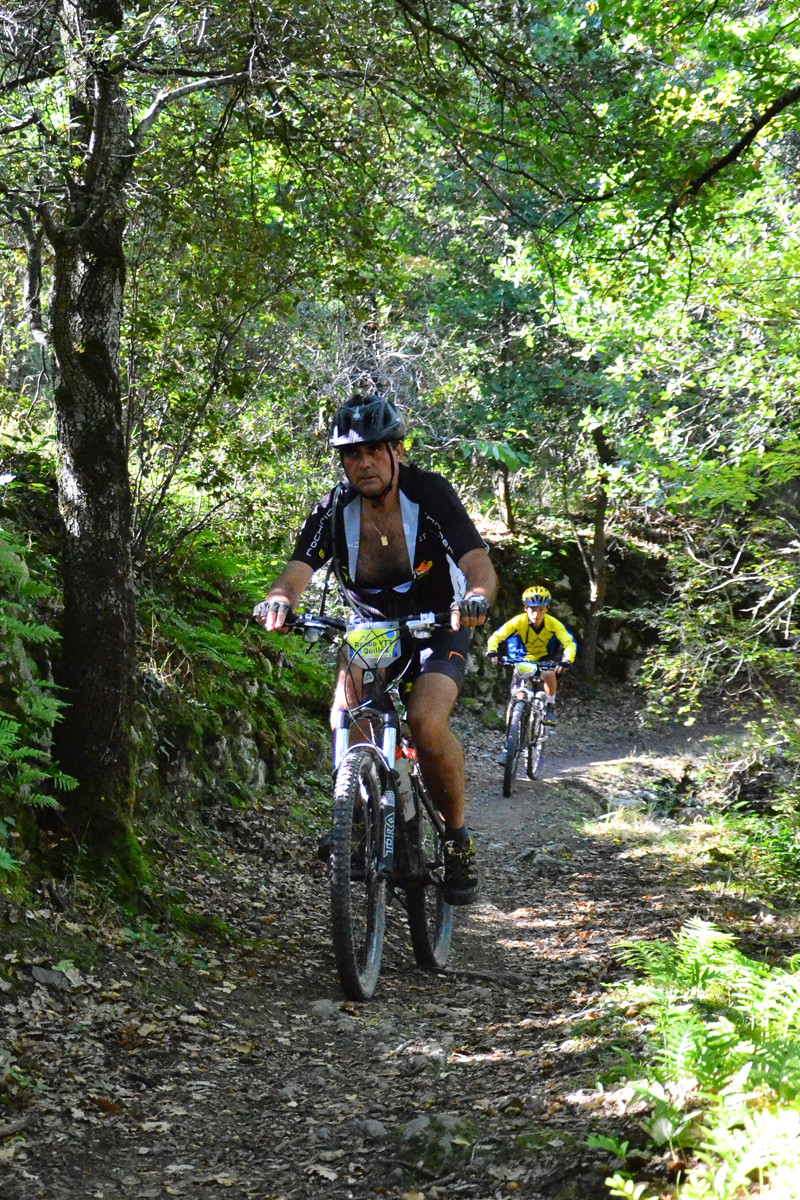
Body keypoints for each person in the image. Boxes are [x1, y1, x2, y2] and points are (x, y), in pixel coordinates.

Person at [254, 393, 497, 905]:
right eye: (350, 454)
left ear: (397, 451)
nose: (361, 463)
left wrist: (475, 597)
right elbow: (298, 571)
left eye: (372, 451)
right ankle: (359, 822)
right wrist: (279, 600)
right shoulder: (333, 510)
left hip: (439, 622)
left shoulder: (430, 494)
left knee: (427, 722)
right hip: (372, 628)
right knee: (347, 716)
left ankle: (456, 840)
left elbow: (477, 561)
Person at [486, 586, 577, 762]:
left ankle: (550, 706)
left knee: (549, 673)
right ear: (526, 609)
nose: (536, 613)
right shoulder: (518, 622)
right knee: (516, 698)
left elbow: (569, 643)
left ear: (547, 609)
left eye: (540, 609)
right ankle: (509, 744)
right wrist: (492, 651)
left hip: (546, 656)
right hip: (522, 658)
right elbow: (496, 637)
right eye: (532, 609)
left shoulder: (553, 624)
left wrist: (567, 660)